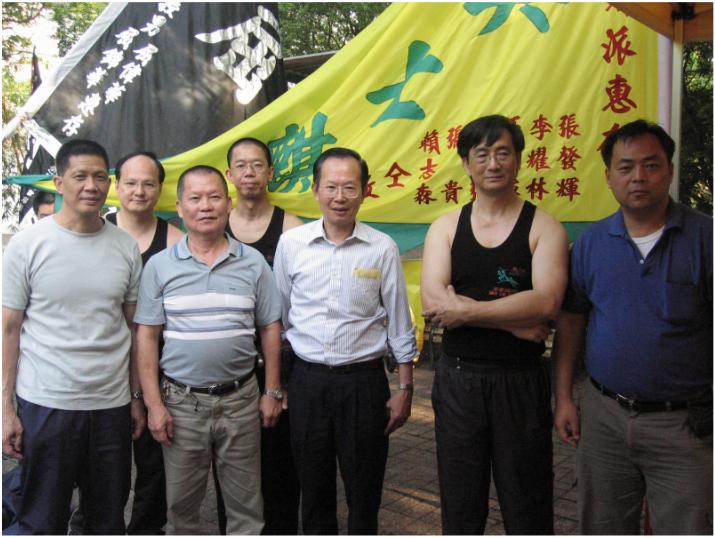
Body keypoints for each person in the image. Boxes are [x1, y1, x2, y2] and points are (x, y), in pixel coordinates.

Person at [552, 119, 712, 535]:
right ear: (608, 177)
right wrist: (564, 397)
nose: (638, 176)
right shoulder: (591, 244)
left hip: (683, 425)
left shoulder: (705, 239)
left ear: (670, 171)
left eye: (651, 165)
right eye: (625, 167)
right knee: (602, 525)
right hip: (604, 417)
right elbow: (572, 323)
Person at [421, 114, 568, 535]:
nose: (493, 163)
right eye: (482, 154)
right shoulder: (446, 227)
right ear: (466, 163)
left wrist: (467, 313)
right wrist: (513, 324)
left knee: (527, 504)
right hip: (459, 381)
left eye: (503, 153)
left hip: (520, 382)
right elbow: (433, 302)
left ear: (518, 159)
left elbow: (546, 302)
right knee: (461, 503)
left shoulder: (544, 227)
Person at [273, 147, 418, 535]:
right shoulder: (292, 244)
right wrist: (279, 383)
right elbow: (279, 319)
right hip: (307, 382)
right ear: (315, 190)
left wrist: (405, 388)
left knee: (364, 492)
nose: (340, 197)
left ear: (365, 191)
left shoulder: (381, 247)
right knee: (313, 492)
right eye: (331, 187)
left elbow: (399, 322)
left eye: (350, 187)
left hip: (363, 385)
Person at [2, 139, 144, 534]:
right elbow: (8, 329)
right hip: (46, 403)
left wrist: (135, 398)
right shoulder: (27, 245)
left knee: (106, 518)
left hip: (110, 405)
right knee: (40, 518)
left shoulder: (125, 246)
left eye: (100, 177)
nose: (91, 186)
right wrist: (6, 408)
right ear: (59, 182)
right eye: (80, 176)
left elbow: (134, 329)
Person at [134, 165, 284, 535]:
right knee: (181, 510)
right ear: (179, 207)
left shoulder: (253, 262)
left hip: (241, 401)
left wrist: (271, 390)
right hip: (181, 404)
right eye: (195, 198)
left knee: (247, 510)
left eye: (214, 197)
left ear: (228, 203)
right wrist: (154, 405)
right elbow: (146, 337)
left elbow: (270, 327)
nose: (205, 206)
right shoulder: (159, 266)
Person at [210, 137, 303, 535]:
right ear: (229, 174)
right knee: (230, 467)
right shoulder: (213, 224)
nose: (249, 173)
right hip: (228, 365)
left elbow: (297, 303)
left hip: (278, 361)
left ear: (270, 172)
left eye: (257, 165)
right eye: (241, 166)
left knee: (280, 465)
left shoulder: (292, 228)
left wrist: (282, 381)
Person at [109, 151, 182, 534]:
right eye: (131, 183)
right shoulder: (95, 230)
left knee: (154, 467)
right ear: (116, 185)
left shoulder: (175, 242)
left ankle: (145, 529)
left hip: (157, 371)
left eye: (148, 183)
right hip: (102, 372)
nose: (139, 191)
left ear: (160, 188)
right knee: (105, 467)